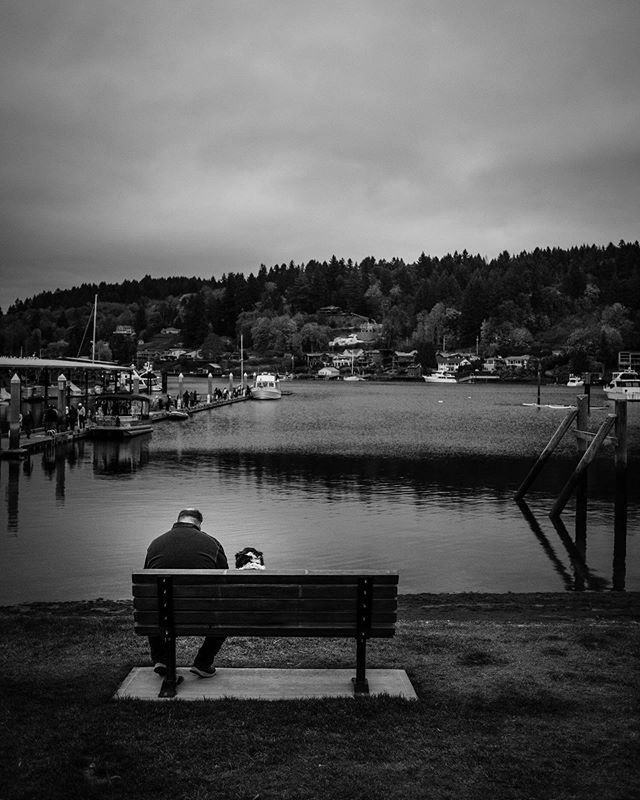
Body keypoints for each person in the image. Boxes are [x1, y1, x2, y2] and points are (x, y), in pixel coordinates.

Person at [144, 508, 228, 678]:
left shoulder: (155, 544)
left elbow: (148, 582)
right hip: (200, 614)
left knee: (152, 605)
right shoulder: (212, 544)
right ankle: (203, 663)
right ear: (198, 524)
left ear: (179, 520)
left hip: (162, 615)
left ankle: (162, 659)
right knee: (225, 613)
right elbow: (224, 580)